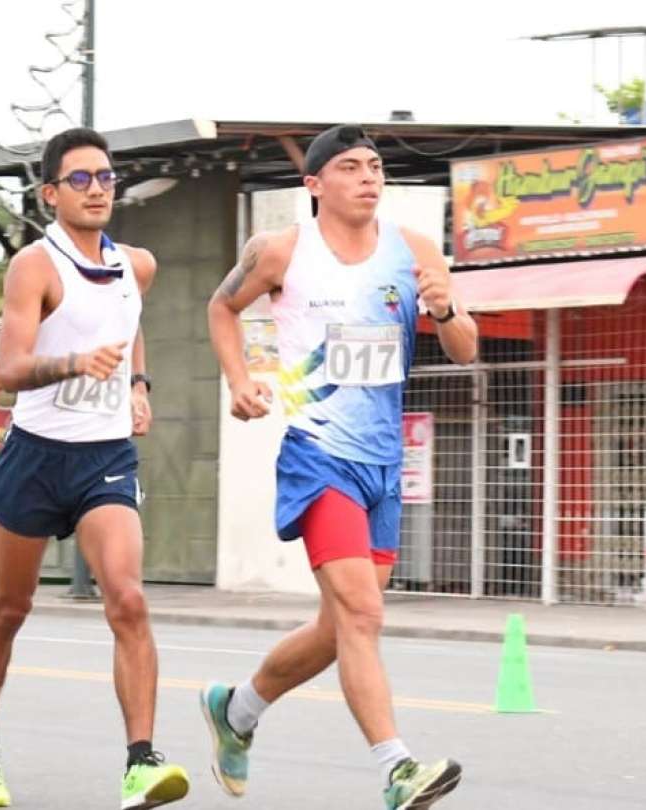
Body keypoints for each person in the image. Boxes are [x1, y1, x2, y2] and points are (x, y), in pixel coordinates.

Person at [200, 124, 478, 810]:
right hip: (317, 454)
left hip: (383, 462)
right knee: (360, 612)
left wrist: (442, 309)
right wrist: (239, 380)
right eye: (350, 167)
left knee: (342, 626)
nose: (368, 177)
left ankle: (236, 710)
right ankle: (398, 768)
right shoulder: (279, 252)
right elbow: (221, 307)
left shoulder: (412, 251)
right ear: (315, 184)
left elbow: (466, 348)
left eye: (375, 166)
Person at [0, 127, 189, 809]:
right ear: (51, 193)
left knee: (128, 598)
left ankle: (141, 762)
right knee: (9, 608)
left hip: (104, 459)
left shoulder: (135, 265)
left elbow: (130, 319)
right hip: (35, 456)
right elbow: (11, 371)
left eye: (107, 177)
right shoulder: (35, 266)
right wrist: (75, 364)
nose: (97, 189)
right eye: (81, 179)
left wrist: (139, 385)